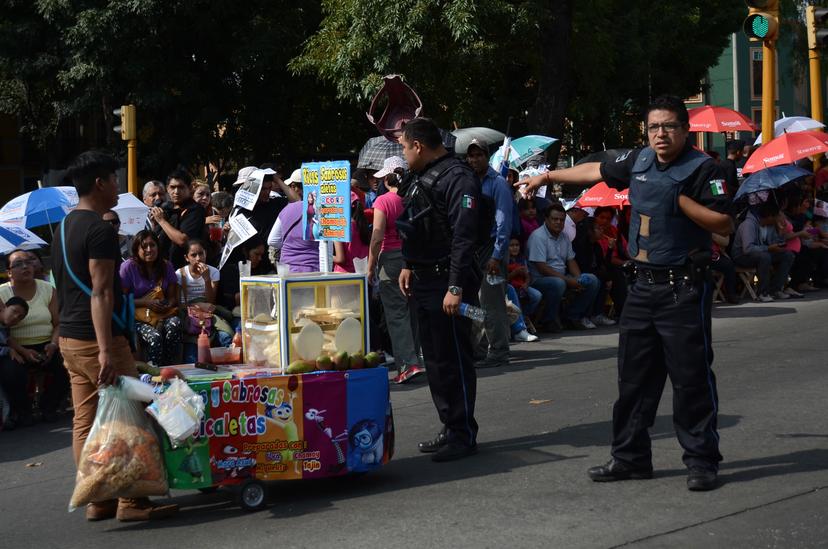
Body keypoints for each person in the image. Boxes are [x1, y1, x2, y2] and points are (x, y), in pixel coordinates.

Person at [521, 95, 734, 491]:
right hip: (641, 288)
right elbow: (594, 171)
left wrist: (681, 200)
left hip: (682, 289)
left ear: (685, 130)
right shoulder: (638, 161)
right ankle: (630, 458)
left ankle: (702, 462)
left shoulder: (707, 168)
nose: (661, 134)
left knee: (691, 380)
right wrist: (547, 178)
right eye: (654, 127)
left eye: (669, 126)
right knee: (633, 381)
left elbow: (723, 221)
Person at [52, 151, 178, 521]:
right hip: (97, 341)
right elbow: (102, 292)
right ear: (99, 184)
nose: (118, 187)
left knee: (86, 419)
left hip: (70, 341)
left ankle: (98, 499)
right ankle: (132, 502)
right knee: (131, 417)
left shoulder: (62, 227)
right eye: (114, 179)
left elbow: (61, 289)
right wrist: (107, 350)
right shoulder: (98, 230)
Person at [397, 118, 482, 462]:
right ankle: (449, 425)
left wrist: (456, 286)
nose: (402, 154)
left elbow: (464, 237)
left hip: (449, 281)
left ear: (418, 145)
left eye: (403, 147)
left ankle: (463, 434)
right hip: (423, 279)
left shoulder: (459, 178)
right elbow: (415, 225)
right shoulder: (419, 177)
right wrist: (407, 263)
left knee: (455, 360)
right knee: (433, 359)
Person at [367, 156, 423, 384]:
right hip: (415, 257)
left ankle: (407, 365)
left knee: (396, 314)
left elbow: (377, 234)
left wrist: (370, 265)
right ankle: (414, 359)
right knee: (412, 311)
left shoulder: (383, 201)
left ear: (388, 178)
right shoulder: (415, 196)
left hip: (390, 259)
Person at [0, 250, 69, 425]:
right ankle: (23, 410)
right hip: (15, 347)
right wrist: (21, 351)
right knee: (11, 372)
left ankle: (49, 405)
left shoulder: (47, 289)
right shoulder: (1, 293)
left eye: (28, 262)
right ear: (8, 272)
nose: (25, 267)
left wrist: (53, 345)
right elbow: (2, 330)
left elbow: (58, 323)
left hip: (47, 345)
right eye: (18, 264)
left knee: (69, 364)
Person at [466, 138, 512, 369]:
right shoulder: (469, 181)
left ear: (487, 156)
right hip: (474, 250)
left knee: (492, 304)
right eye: (471, 156)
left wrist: (497, 255)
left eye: (479, 155)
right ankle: (479, 348)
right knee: (474, 304)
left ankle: (499, 351)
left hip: (493, 251)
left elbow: (503, 223)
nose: (474, 159)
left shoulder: (498, 183)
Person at [527, 203, 601, 331]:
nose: (558, 223)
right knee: (558, 283)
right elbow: (542, 268)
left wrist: (577, 279)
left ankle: (572, 316)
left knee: (592, 280)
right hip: (540, 279)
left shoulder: (564, 237)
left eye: (561, 220)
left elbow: (571, 260)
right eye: (555, 219)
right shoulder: (538, 237)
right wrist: (569, 280)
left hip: (562, 277)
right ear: (546, 219)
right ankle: (548, 320)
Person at [120, 230, 182, 366]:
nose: (149, 249)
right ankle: (154, 372)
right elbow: (121, 299)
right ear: (137, 249)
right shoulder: (127, 267)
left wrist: (166, 305)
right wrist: (146, 303)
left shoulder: (166, 266)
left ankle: (171, 366)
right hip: (137, 317)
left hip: (161, 314)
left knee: (175, 323)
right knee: (155, 337)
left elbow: (173, 298)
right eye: (144, 246)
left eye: (152, 245)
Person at [732, 201, 794, 302]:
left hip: (762, 252)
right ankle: (762, 292)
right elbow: (748, 248)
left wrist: (781, 233)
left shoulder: (771, 226)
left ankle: (776, 289)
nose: (777, 219)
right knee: (765, 257)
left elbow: (775, 243)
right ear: (769, 216)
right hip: (742, 256)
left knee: (787, 255)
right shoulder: (749, 224)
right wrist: (768, 248)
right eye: (776, 217)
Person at [150, 170, 206, 268]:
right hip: (162, 267)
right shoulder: (167, 208)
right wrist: (155, 223)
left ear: (189, 188)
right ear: (167, 188)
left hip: (184, 271)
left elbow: (182, 240)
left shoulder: (195, 210)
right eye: (172, 187)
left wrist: (161, 221)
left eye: (181, 187)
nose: (176, 192)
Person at [0, 296, 32, 429]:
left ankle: (19, 412)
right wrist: (8, 351)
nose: (15, 317)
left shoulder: (5, 328)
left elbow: (7, 341)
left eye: (20, 317)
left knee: (17, 370)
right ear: (4, 307)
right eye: (14, 311)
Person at [267, 198, 320, 273]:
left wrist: (289, 246)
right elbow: (327, 251)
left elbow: (272, 240)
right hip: (312, 270)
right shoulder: (322, 211)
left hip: (286, 269)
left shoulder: (288, 208)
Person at [333, 195, 371, 274]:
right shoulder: (363, 225)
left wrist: (324, 256)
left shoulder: (339, 227)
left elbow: (340, 259)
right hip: (361, 274)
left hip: (343, 275)